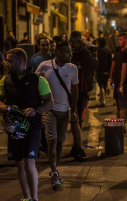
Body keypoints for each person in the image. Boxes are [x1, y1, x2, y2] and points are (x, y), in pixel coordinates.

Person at [0, 48, 53, 201]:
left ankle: (35, 198)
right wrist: (6, 107)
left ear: (20, 62)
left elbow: (49, 102)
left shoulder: (38, 80)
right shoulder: (5, 80)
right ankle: (26, 197)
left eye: (9, 60)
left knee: (29, 163)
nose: (6, 63)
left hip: (32, 127)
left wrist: (36, 110)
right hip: (13, 129)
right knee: (19, 163)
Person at [36, 41, 78, 189]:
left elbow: (74, 91)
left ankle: (55, 167)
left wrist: (74, 111)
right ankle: (53, 171)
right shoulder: (44, 66)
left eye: (70, 51)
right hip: (49, 110)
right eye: (68, 52)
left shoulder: (72, 68)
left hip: (64, 111)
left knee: (60, 142)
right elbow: (36, 84)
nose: (70, 54)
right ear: (59, 53)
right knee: (52, 141)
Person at [69, 31, 98, 159]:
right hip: (71, 89)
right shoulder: (69, 51)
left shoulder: (90, 49)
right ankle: (76, 145)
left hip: (84, 88)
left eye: (77, 42)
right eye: (73, 42)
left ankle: (77, 145)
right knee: (74, 117)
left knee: (80, 117)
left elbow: (94, 65)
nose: (74, 45)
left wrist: (85, 51)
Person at [96, 38, 112, 107]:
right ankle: (103, 97)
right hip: (106, 71)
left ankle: (103, 100)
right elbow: (110, 62)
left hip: (99, 71)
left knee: (101, 85)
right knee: (104, 85)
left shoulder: (98, 51)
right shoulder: (108, 51)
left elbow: (96, 61)